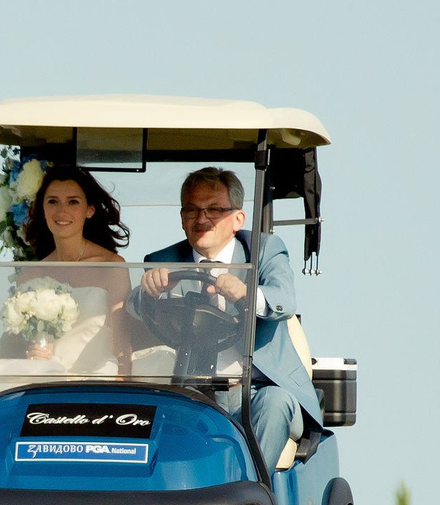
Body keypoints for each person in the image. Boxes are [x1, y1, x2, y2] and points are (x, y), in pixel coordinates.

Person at [135, 165, 319, 459]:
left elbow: (283, 299)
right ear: (182, 218)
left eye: (214, 210)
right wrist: (147, 290)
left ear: (237, 219)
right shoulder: (163, 260)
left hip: (256, 390)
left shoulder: (264, 250)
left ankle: (249, 495)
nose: (202, 219)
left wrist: (247, 293)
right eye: (192, 210)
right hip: (192, 393)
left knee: (275, 404)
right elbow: (133, 312)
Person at [9, 163, 132, 374]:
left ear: (89, 210)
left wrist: (121, 380)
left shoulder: (112, 266)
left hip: (98, 376)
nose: (62, 211)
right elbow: (19, 342)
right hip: (45, 377)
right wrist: (33, 352)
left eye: (72, 202)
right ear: (43, 210)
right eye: (53, 202)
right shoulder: (31, 274)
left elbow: (122, 339)